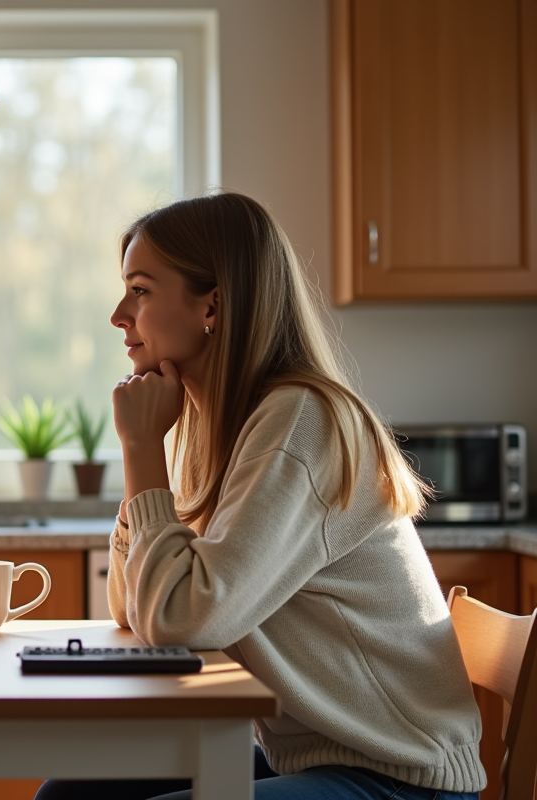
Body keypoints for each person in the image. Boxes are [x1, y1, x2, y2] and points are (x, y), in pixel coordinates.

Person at [36, 193, 484, 800]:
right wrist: (147, 452)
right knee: (71, 794)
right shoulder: (226, 429)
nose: (119, 314)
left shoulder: (301, 421)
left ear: (211, 305)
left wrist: (141, 447)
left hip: (398, 775)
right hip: (320, 759)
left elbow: (180, 620)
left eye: (140, 289)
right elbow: (134, 609)